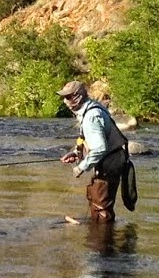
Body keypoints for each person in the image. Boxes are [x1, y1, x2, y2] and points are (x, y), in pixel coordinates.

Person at [58, 80, 128, 223]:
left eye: (67, 97)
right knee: (98, 199)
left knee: (101, 206)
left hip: (110, 160)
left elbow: (100, 148)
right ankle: (99, 236)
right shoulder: (89, 110)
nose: (65, 101)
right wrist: (77, 153)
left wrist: (81, 167)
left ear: (78, 97)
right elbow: (87, 138)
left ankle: (102, 241)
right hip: (112, 158)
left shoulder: (91, 116)